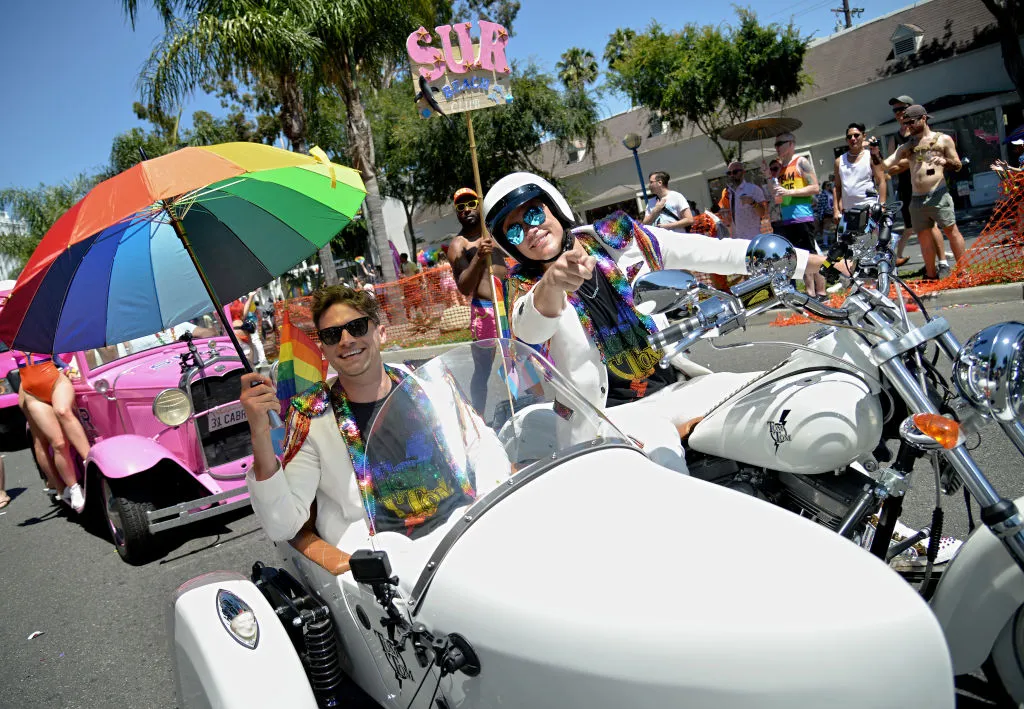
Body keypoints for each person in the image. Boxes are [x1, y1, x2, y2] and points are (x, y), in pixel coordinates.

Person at [483, 173, 828, 474]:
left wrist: (814, 263)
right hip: (607, 417)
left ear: (552, 206)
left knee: (781, 391)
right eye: (514, 231)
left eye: (532, 213)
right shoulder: (525, 286)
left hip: (675, 386)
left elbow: (713, 252)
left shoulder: (617, 237)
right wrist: (553, 283)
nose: (530, 230)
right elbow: (529, 328)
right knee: (662, 454)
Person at [240, 286, 496, 566]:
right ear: (324, 349)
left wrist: (488, 508)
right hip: (391, 564)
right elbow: (283, 526)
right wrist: (260, 434)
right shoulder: (310, 416)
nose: (346, 340)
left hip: (468, 532)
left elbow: (484, 448)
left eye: (357, 327)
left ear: (380, 332)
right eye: (332, 334)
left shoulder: (429, 381)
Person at [872, 104, 967, 282]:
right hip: (916, 200)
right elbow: (886, 165)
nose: (908, 126)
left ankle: (963, 272)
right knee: (923, 237)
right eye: (905, 122)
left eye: (911, 122)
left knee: (951, 231)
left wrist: (944, 161)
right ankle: (931, 275)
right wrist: (875, 154)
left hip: (938, 194)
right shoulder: (908, 146)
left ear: (923, 118)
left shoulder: (943, 139)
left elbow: (958, 164)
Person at [446, 187, 509, 411]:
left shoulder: (495, 231)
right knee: (483, 370)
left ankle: (528, 406)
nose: (467, 210)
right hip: (485, 311)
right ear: (456, 212)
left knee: (519, 362)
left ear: (479, 204)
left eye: (471, 203)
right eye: (461, 207)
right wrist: (479, 257)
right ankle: (479, 418)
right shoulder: (458, 245)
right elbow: (464, 286)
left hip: (509, 306)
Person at [15, 352, 89, 512]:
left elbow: (58, 354)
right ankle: (70, 488)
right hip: (31, 392)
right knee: (58, 443)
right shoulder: (9, 335)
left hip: (55, 380)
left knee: (63, 412)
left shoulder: (41, 329)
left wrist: (67, 367)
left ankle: (88, 461)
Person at [768, 132, 827, 297]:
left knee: (811, 255)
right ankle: (810, 292)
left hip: (802, 216)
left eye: (780, 143)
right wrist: (771, 181)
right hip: (787, 219)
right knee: (800, 257)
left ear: (791, 144)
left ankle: (820, 291)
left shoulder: (801, 162)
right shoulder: (781, 169)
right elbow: (779, 197)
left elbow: (815, 187)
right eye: (776, 145)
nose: (777, 148)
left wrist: (790, 192)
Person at [834, 123, 888, 245]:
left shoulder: (871, 156)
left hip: (869, 209)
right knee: (846, 246)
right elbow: (837, 187)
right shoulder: (839, 161)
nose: (853, 139)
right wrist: (836, 210)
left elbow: (881, 180)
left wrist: (882, 205)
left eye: (856, 135)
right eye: (849, 137)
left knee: (873, 245)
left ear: (864, 136)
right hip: (848, 213)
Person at [717, 162, 767, 240]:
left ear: (743, 172)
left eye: (735, 172)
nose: (732, 175)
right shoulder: (729, 192)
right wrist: (726, 216)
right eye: (729, 173)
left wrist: (752, 202)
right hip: (736, 239)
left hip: (751, 237)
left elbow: (762, 213)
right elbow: (732, 219)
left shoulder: (753, 189)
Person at [814, 181, 835, 248]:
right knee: (825, 228)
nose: (829, 186)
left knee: (832, 229)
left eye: (830, 185)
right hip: (826, 213)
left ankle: (831, 242)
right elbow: (822, 205)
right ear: (824, 186)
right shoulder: (823, 194)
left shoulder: (831, 193)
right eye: (828, 185)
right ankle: (825, 243)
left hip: (832, 212)